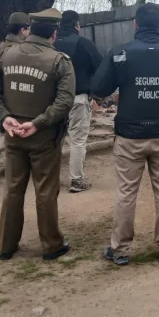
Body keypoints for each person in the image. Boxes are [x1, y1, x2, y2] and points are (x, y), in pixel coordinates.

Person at [91, 3, 159, 266]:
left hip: (130, 136)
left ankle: (120, 250)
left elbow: (98, 88)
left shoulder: (120, 53)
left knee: (127, 192)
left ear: (135, 25)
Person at [0, 8, 75, 261]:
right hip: (44, 138)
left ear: (30, 30)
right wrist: (39, 123)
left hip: (12, 135)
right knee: (45, 191)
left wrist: (4, 117)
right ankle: (52, 245)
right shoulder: (59, 61)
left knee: (12, 188)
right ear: (54, 34)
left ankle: (6, 245)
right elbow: (65, 101)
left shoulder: (6, 55)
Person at [54, 10, 103, 193]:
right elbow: (100, 66)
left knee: (54, 140)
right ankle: (76, 180)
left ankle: (51, 179)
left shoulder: (52, 44)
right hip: (78, 99)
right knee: (78, 140)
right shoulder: (84, 44)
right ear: (77, 25)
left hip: (54, 100)